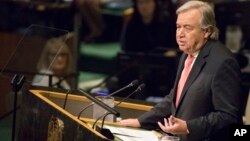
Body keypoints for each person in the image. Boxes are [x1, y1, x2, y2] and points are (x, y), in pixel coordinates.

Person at [120, 1, 242, 141]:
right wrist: (139, 122)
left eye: (188, 28)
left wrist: (188, 127)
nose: (180, 34)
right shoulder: (187, 53)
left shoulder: (223, 63)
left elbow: (227, 116)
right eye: (178, 27)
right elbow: (175, 98)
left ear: (207, 31)